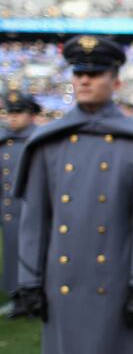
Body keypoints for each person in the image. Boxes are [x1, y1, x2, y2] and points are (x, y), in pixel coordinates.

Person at [14, 35, 133, 353]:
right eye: (79, 72)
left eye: (95, 73)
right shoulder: (47, 142)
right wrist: (29, 280)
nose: (84, 79)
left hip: (117, 284)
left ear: (116, 81)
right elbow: (34, 219)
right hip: (62, 283)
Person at [0, 91, 40, 318]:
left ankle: (34, 297)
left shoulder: (37, 139)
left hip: (31, 208)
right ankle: (18, 298)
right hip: (9, 210)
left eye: (19, 112)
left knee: (34, 255)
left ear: (31, 115)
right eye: (10, 113)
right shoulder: (4, 140)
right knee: (12, 256)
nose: (13, 117)